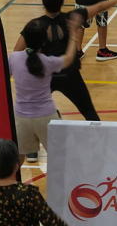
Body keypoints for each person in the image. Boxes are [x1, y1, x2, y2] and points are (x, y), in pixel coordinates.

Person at [14, 0, 117, 127]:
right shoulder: (73, 17)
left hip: (46, 77)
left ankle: (29, 142)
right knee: (89, 113)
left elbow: (17, 52)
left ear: (43, 2)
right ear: (62, 1)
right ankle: (100, 143)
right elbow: (100, 7)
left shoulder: (35, 26)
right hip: (71, 76)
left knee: (34, 112)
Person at [9, 15, 79, 159]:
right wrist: (73, 35)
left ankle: (24, 166)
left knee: (18, 160)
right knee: (59, 157)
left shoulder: (14, 58)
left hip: (21, 117)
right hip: (45, 117)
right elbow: (69, 58)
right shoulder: (48, 62)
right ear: (44, 42)